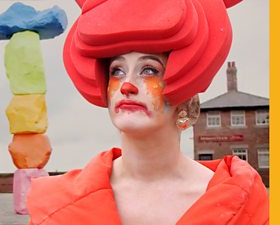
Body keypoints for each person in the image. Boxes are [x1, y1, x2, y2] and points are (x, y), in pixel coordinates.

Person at [27, 0, 269, 224]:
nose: (127, 86)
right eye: (117, 71)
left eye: (149, 70)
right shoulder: (57, 204)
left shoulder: (245, 202)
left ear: (186, 81)